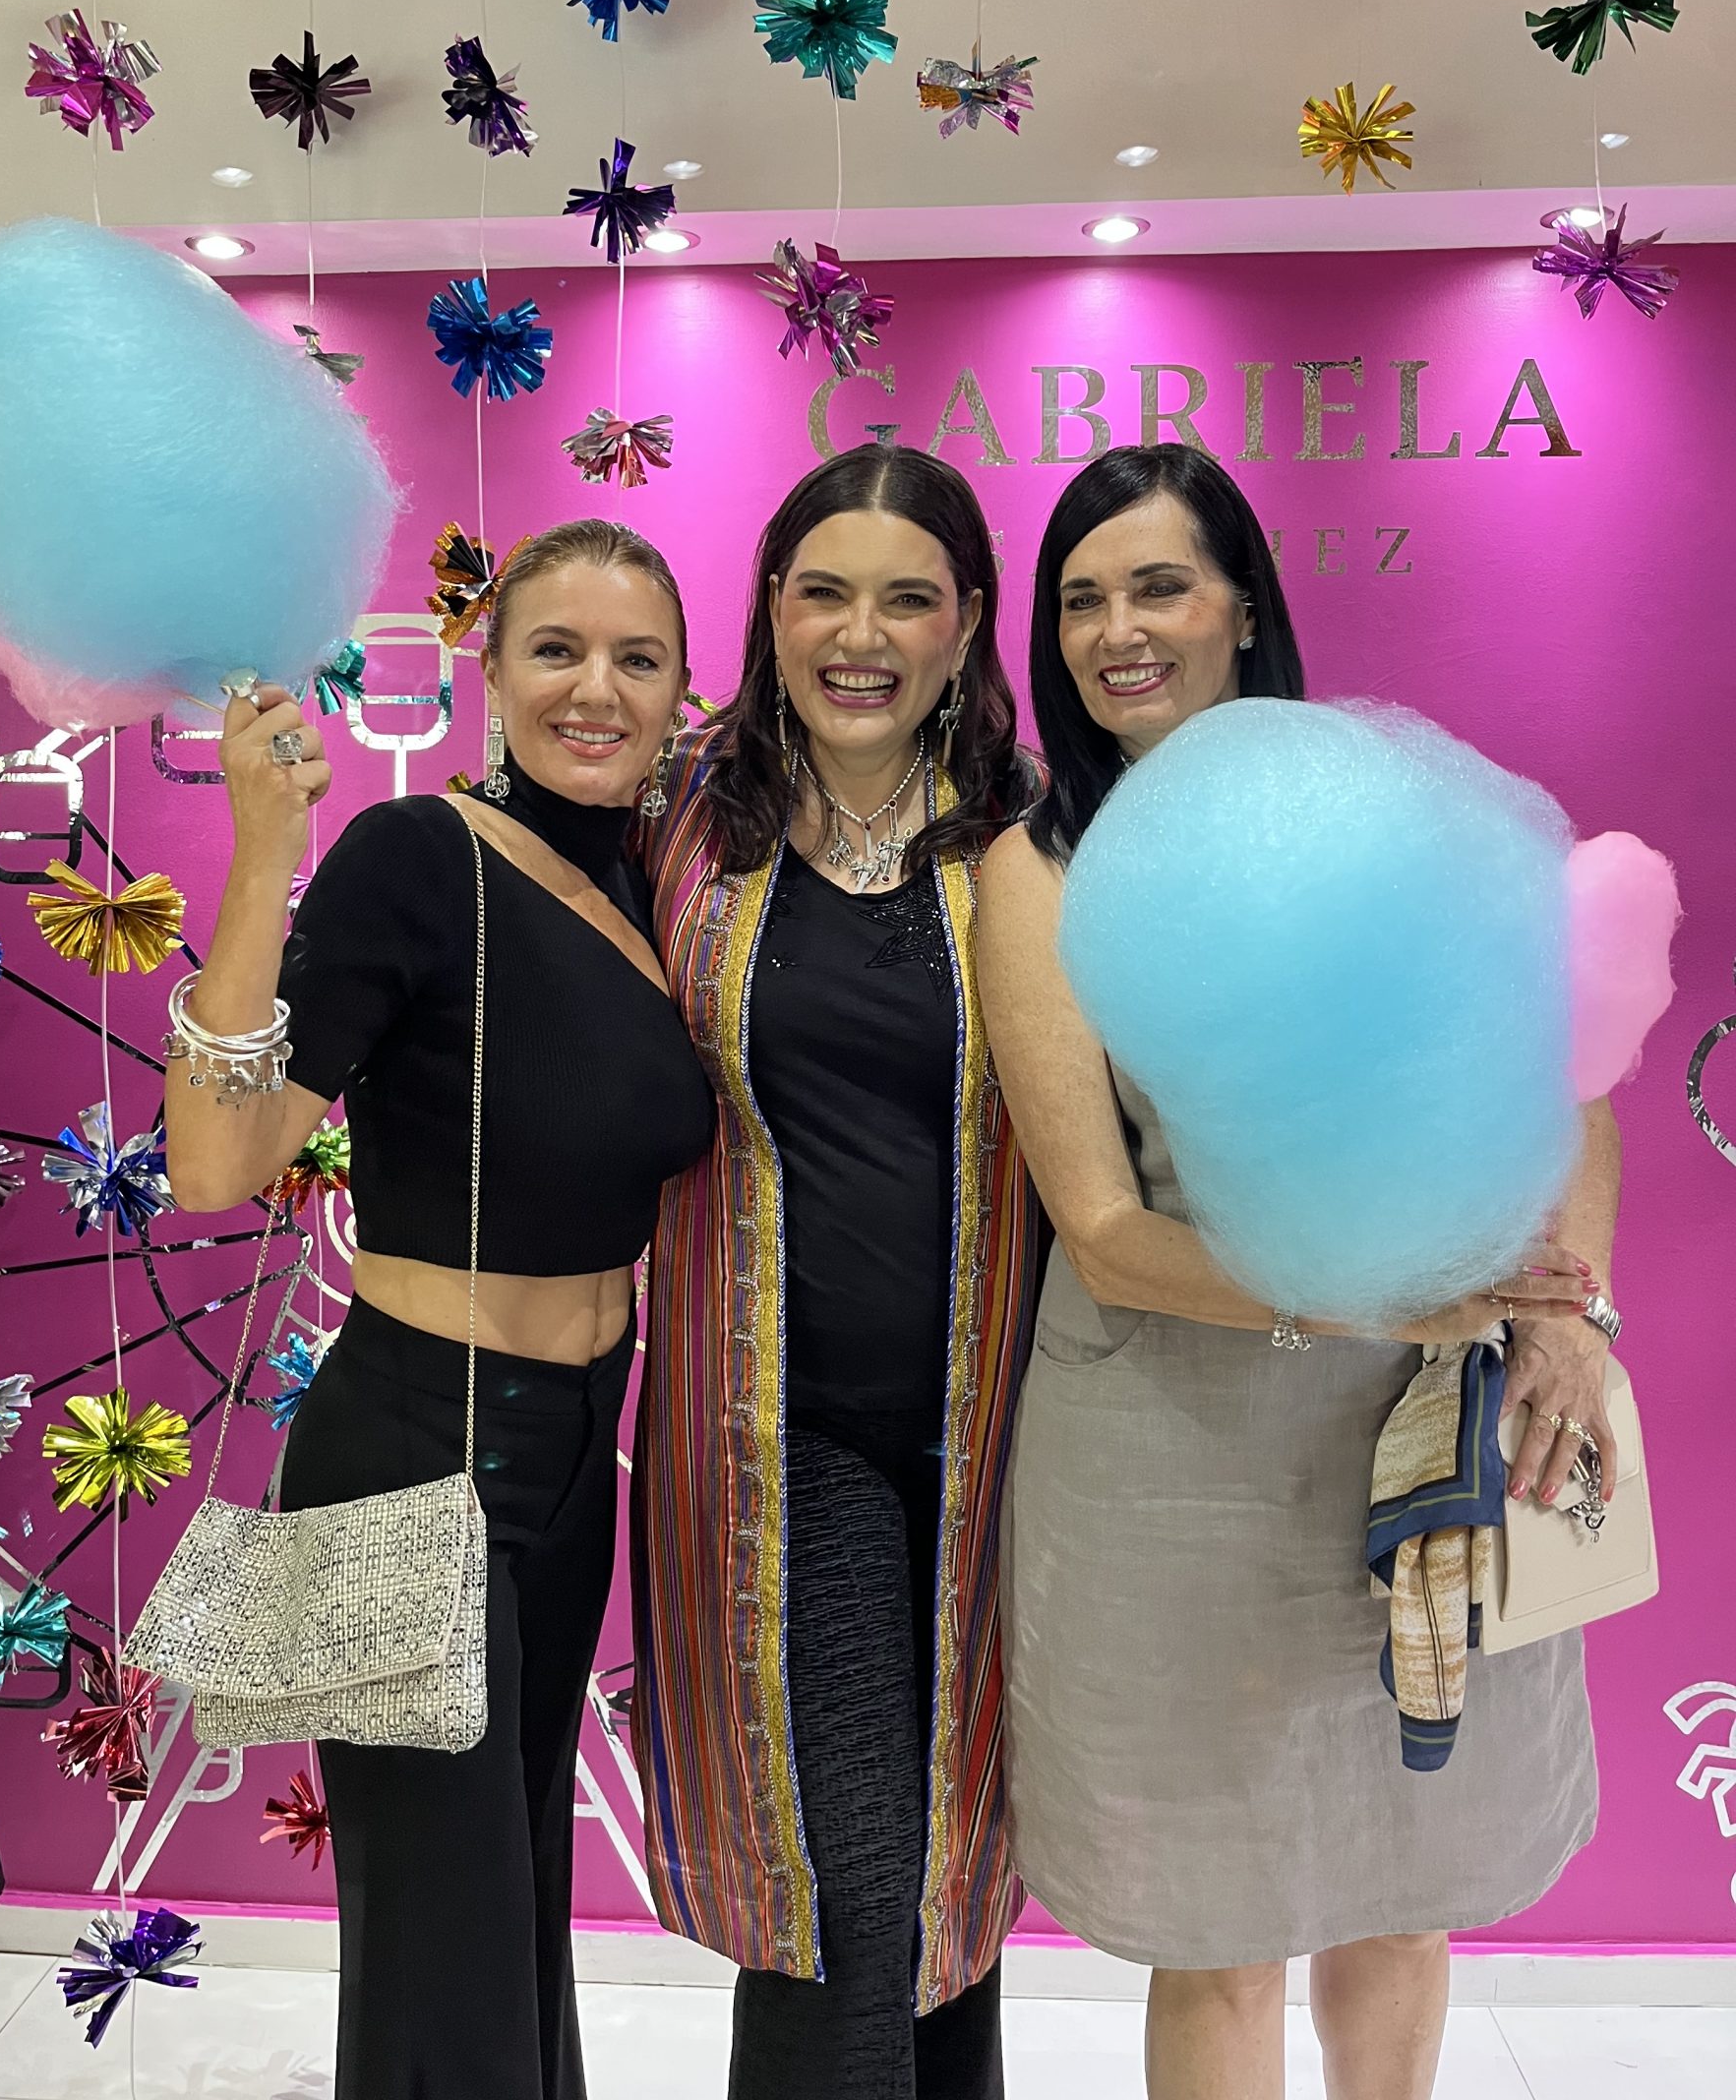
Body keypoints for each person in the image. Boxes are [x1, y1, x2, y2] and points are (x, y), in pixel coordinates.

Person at [979, 445, 1617, 2100]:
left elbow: (1567, 1083)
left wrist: (1572, 1320)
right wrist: (1381, 1293)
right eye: (1081, 600)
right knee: (1219, 1928)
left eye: (1159, 585)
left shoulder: (1387, 813)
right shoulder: (1039, 871)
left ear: (1244, 604)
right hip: (1169, 1448)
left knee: (1407, 1897)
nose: (1119, 631)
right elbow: (1104, 1229)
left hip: (1418, 1423)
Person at [164, 518, 715, 2100]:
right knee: (441, 1946)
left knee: (514, 1907)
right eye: (556, 650)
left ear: (682, 690)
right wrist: (262, 853)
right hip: (406, 1444)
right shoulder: (416, 858)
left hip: (573, 1456)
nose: (595, 689)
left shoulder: (667, 893)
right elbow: (215, 1164)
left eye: (637, 658)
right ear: (490, 673)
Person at [633, 447, 1042, 2100]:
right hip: (776, 1438)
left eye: (905, 599)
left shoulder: (1032, 837)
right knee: (843, 1892)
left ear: (968, 624)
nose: (859, 637)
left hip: (1008, 1436)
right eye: (823, 593)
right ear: (771, 608)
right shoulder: (676, 818)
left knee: (952, 1877)